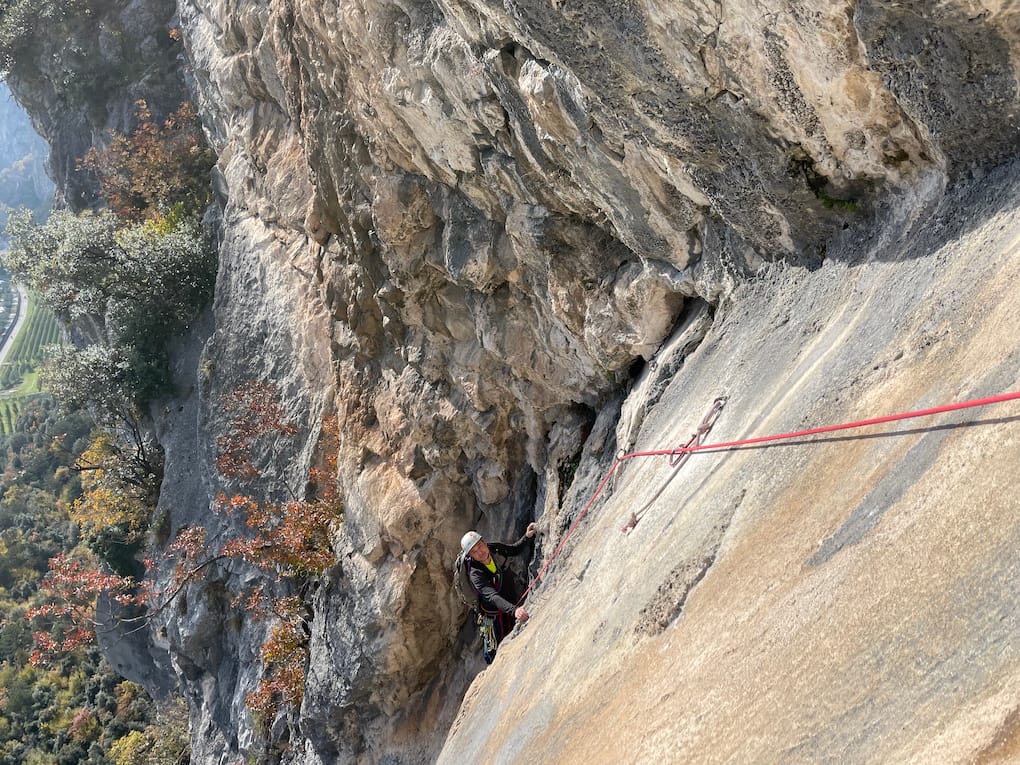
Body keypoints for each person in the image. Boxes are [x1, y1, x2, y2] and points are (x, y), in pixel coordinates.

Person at [460, 522, 537, 662]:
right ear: (470, 556)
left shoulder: (493, 548)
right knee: (492, 647)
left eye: (480, 546)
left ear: (484, 542)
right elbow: (492, 596)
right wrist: (514, 611)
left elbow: (512, 549)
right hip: (492, 615)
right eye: (474, 551)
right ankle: (492, 666)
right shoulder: (475, 574)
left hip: (508, 601)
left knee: (512, 630)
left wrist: (526, 537)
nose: (480, 552)